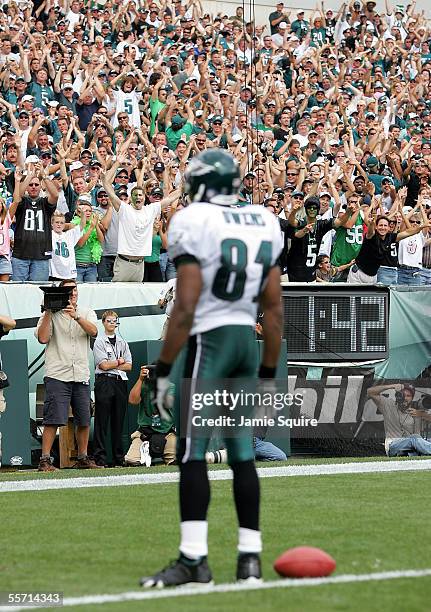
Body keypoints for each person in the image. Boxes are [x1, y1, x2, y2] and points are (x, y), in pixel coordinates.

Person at [140, 148, 283, 588]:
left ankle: (194, 560)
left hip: (211, 340)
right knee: (243, 454)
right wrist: (267, 370)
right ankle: (250, 561)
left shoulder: (193, 220)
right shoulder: (265, 221)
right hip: (245, 341)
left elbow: (184, 307)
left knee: (191, 452)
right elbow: (273, 310)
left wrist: (163, 366)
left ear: (201, 184)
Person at [36, 280, 101, 471]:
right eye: (69, 291)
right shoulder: (51, 314)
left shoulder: (86, 312)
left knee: (84, 417)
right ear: (61, 294)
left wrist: (76, 316)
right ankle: (45, 460)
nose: (73, 294)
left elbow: (94, 331)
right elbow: (42, 338)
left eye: (75, 290)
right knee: (53, 418)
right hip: (57, 373)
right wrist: (48, 310)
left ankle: (83, 457)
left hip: (80, 373)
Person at [92, 310, 132, 467]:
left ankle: (118, 457)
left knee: (118, 421)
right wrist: (119, 362)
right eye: (109, 320)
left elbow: (129, 366)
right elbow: (103, 365)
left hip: (120, 382)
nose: (112, 323)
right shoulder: (99, 341)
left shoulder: (122, 342)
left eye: (115, 321)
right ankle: (100, 457)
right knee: (102, 421)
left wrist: (115, 363)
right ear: (103, 322)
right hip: (105, 381)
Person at [126, 365, 176, 467]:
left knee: (175, 461)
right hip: (145, 433)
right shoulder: (144, 386)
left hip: (166, 432)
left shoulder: (170, 386)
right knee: (131, 460)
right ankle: (145, 454)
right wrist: (140, 379)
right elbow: (133, 400)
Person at [367, 383, 431, 456]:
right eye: (403, 395)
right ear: (398, 396)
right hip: (393, 445)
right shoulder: (389, 405)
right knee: (415, 438)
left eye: (408, 396)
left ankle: (410, 454)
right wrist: (391, 386)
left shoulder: (415, 411)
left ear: (412, 398)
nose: (405, 398)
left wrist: (422, 414)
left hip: (410, 447)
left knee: (417, 438)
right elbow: (370, 392)